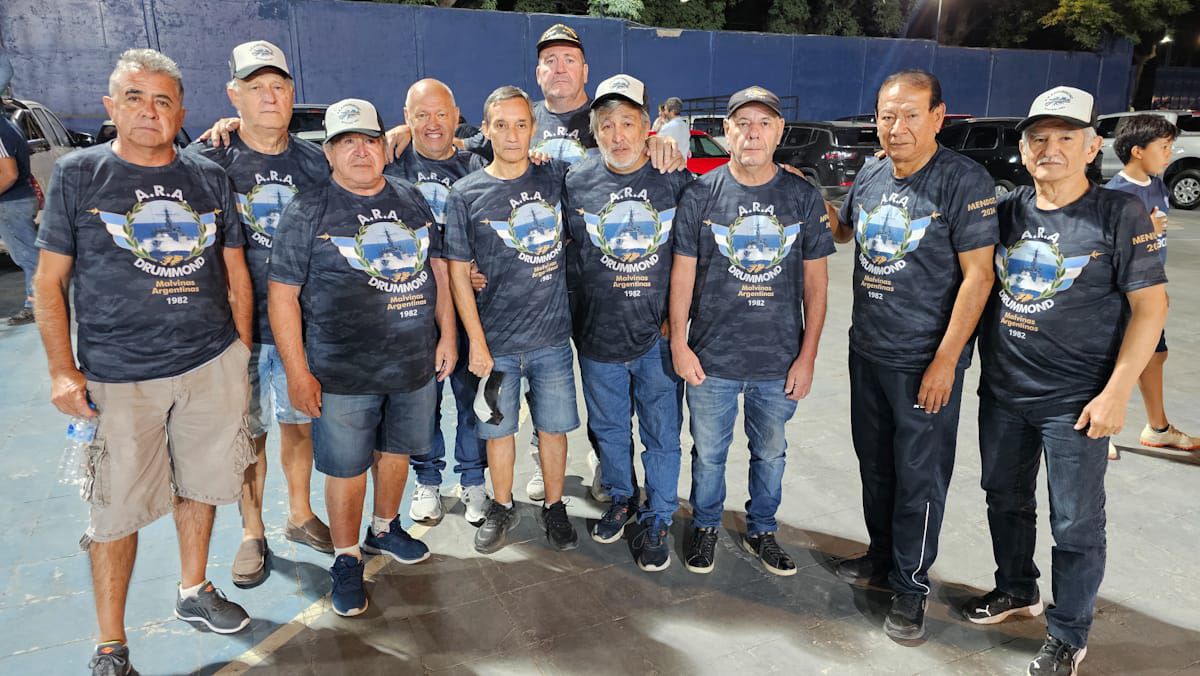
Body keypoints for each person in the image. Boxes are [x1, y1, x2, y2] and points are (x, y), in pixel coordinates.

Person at [33, 49, 255, 676]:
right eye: (135, 97)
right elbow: (48, 285)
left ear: (181, 112)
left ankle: (193, 589)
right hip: (119, 376)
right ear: (111, 107)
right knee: (114, 511)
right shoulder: (79, 176)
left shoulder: (209, 177)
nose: (149, 111)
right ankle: (112, 645)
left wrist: (237, 350)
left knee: (204, 483)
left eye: (162, 101)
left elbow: (234, 271)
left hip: (209, 364)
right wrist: (61, 369)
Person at [963, 86, 1168, 676]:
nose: (1050, 148)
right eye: (1039, 138)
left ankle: (1069, 631)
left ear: (1090, 147)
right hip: (1003, 390)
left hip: (1077, 402)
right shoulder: (1009, 210)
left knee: (1075, 520)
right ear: (1024, 150)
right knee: (1003, 496)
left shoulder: (1119, 213)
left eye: (1065, 137)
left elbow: (1151, 308)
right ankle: (1017, 589)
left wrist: (1117, 391)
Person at [828, 69, 998, 641]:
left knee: (919, 479)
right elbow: (843, 232)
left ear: (937, 117)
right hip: (867, 350)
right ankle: (880, 558)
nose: (895, 126)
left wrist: (947, 361)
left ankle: (911, 587)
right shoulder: (873, 171)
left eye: (908, 115)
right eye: (885, 114)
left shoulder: (963, 181)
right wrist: (801, 191)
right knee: (875, 466)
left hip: (924, 363)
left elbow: (979, 279)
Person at [269, 98, 455, 617]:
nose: (360, 150)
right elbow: (282, 295)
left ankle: (384, 529)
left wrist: (448, 336)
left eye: (369, 140)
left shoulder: (412, 198)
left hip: (412, 364)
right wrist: (297, 370)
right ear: (328, 152)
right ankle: (347, 558)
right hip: (342, 372)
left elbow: (436, 272)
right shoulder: (307, 210)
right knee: (346, 468)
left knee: (397, 451)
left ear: (383, 147)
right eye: (346, 141)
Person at [670, 86, 834, 577]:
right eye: (743, 123)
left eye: (764, 122)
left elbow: (817, 286)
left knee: (770, 452)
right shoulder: (701, 193)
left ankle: (762, 527)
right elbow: (682, 274)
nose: (753, 132)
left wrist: (806, 357)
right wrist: (680, 343)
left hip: (777, 360)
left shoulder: (802, 196)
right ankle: (704, 524)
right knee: (709, 453)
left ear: (779, 132)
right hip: (712, 357)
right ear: (727, 132)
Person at [189, 40, 334, 589]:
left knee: (299, 423)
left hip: (301, 326)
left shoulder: (315, 162)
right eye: (255, 88)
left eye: (278, 86)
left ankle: (299, 514)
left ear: (292, 94)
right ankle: (252, 531)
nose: (269, 97)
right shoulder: (210, 160)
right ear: (234, 95)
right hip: (236, 333)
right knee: (246, 434)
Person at [443, 85, 580, 554]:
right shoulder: (465, 194)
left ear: (534, 128)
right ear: (485, 130)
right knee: (498, 433)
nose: (512, 133)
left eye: (521, 124)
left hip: (552, 340)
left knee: (553, 429)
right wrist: (476, 344)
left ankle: (555, 507)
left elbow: (612, 174)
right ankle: (502, 507)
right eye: (500, 124)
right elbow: (460, 275)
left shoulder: (555, 176)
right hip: (496, 343)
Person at [565, 74, 691, 571]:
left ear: (647, 127)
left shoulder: (675, 179)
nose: (618, 135)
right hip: (597, 339)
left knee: (662, 434)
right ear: (594, 132)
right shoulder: (574, 180)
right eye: (607, 125)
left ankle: (658, 515)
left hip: (656, 340)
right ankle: (622, 497)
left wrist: (679, 323)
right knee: (610, 429)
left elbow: (700, 254)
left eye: (628, 123)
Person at [383, 79, 491, 527]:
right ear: (406, 118)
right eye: (421, 115)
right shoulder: (389, 164)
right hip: (412, 311)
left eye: (441, 114)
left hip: (469, 309)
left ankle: (473, 482)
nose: (432, 124)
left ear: (457, 116)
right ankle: (427, 479)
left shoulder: (477, 166)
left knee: (471, 401)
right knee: (422, 404)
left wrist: (483, 269)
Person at [1104, 114, 1196, 455]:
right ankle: (1100, 430)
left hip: (1150, 291)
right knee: (1117, 359)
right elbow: (1107, 251)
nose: (1170, 153)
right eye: (1163, 147)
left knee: (1155, 356)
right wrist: (1146, 233)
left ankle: (1158, 427)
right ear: (1137, 151)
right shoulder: (1115, 195)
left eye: (1170, 146)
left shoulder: (1156, 183)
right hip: (1123, 296)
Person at [0, 113, 39, 325]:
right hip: (18, 201)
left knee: (28, 256)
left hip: (10, 204)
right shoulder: (9, 125)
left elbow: (9, 174)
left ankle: (36, 306)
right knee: (28, 254)